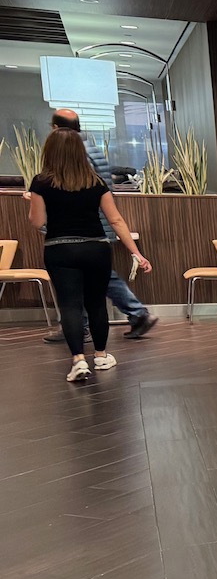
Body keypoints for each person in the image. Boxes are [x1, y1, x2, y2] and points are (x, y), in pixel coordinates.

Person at [28, 130, 152, 382]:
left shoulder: (40, 182)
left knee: (70, 305)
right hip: (96, 249)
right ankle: (101, 355)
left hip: (60, 249)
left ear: (49, 151)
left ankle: (78, 361)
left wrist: (32, 202)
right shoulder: (95, 181)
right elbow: (115, 220)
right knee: (96, 303)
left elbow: (38, 221)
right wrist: (137, 254)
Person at [43, 110, 157, 344]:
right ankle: (84, 324)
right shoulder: (94, 150)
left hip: (85, 229)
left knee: (89, 279)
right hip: (98, 228)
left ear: (56, 129)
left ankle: (131, 314)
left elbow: (78, 193)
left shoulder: (76, 156)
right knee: (98, 277)